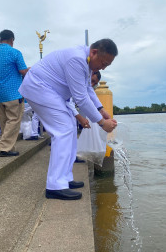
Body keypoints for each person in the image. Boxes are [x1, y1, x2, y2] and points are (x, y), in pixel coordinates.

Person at [18, 38, 118, 200]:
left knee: (70, 127)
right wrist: (101, 122)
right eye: (103, 62)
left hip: (50, 91)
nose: (103, 67)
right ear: (93, 52)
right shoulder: (77, 59)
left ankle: (64, 178)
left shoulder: (85, 62)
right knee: (63, 130)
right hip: (39, 87)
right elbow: (81, 98)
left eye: (107, 65)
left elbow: (87, 89)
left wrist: (101, 110)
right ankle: (55, 185)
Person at [0, 29, 28, 157]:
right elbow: (23, 71)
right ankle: (3, 148)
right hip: (13, 93)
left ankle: (10, 148)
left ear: (0, 40)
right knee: (14, 120)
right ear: (12, 40)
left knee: (4, 122)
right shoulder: (15, 52)